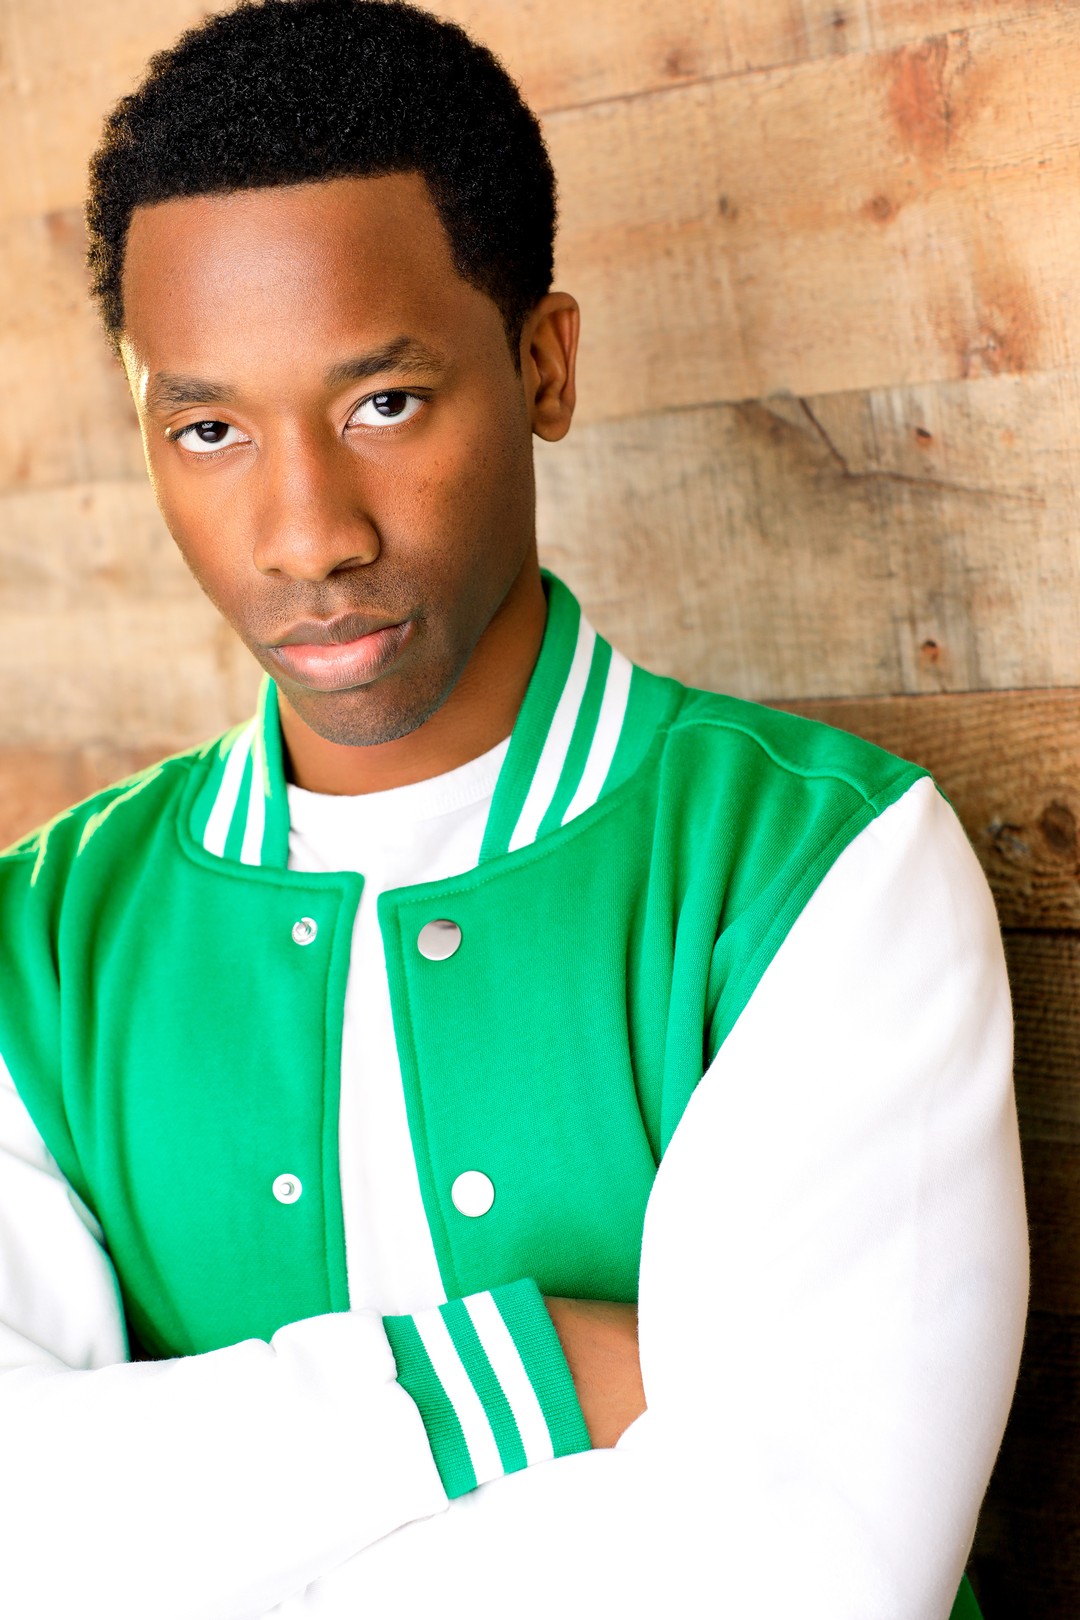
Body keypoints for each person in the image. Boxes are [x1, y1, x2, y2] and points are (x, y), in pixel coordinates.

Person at [0, 2, 1027, 1616]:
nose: (306, 534)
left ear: (542, 365)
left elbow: (811, 1570)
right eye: (209, 430)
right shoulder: (40, 950)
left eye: (382, 405)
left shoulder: (818, 870)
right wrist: (520, 1375)